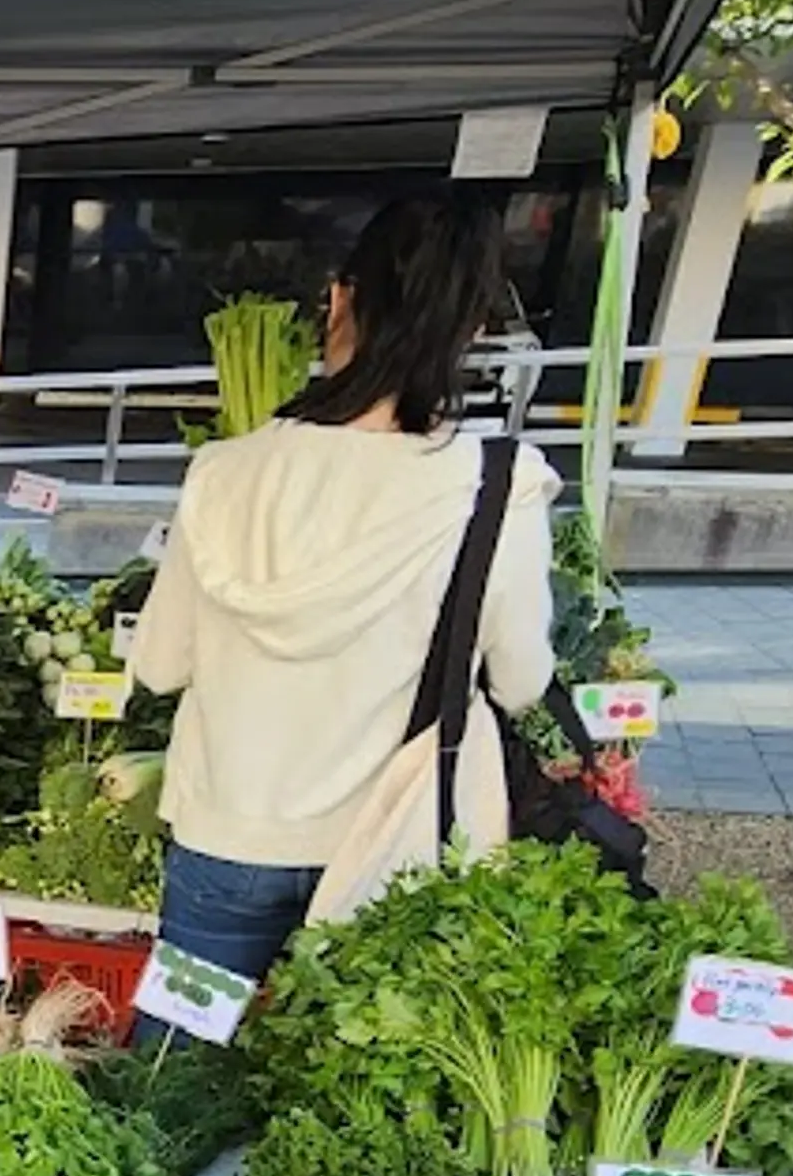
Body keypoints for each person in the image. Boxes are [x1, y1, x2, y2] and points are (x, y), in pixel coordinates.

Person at [124, 193, 557, 980]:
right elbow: (523, 683)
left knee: (178, 1080)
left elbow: (157, 668)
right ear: (471, 330)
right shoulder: (496, 486)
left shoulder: (224, 473)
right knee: (356, 1091)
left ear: (340, 298)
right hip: (392, 849)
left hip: (226, 837)